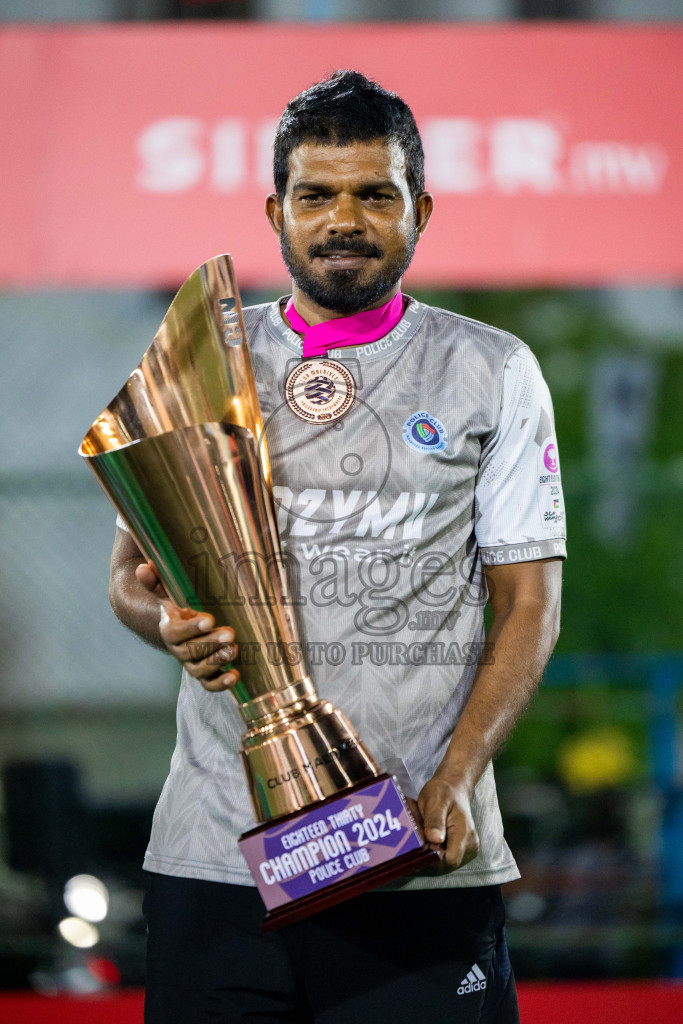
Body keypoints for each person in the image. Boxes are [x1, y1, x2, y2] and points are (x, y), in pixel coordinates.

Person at [109, 70, 565, 1023]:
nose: (344, 219)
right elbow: (128, 581)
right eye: (317, 195)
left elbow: (527, 605)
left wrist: (457, 776)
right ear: (277, 210)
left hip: (417, 851)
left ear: (420, 210)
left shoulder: (491, 370)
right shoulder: (199, 356)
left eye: (374, 194)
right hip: (221, 854)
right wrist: (168, 624)